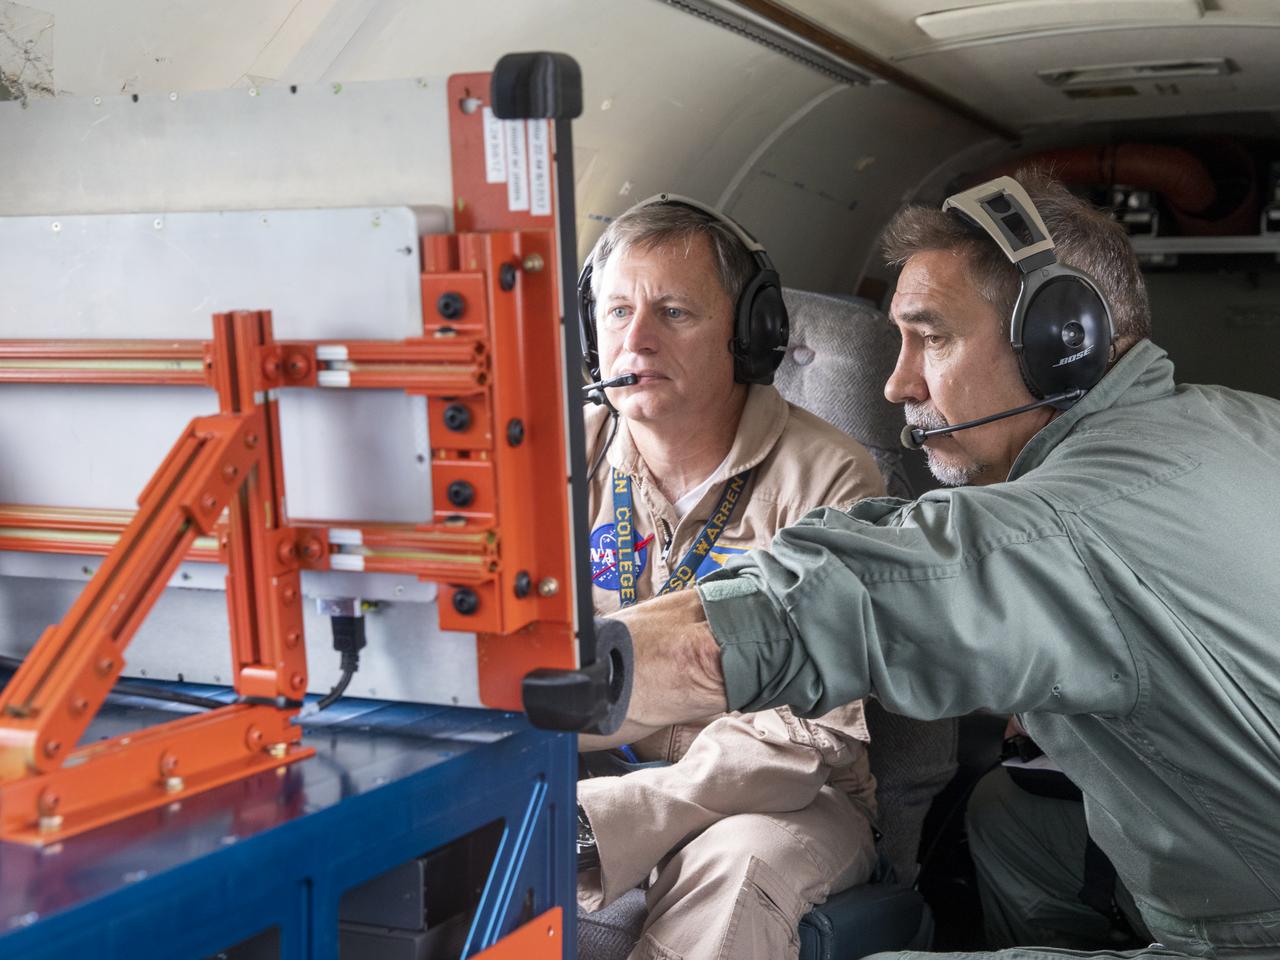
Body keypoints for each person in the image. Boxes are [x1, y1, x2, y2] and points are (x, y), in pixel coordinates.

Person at [599, 170, 1280, 958]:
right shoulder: (1248, 421)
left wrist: (569, 672)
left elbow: (823, 604)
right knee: (1010, 820)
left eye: (934, 337)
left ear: (1063, 340)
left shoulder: (1054, 524)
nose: (897, 383)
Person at [575, 195, 886, 960]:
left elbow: (811, 732)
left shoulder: (832, 477)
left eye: (673, 312)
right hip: (592, 784)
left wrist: (627, 806)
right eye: (615, 313)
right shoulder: (558, 459)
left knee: (736, 865)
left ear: (750, 336)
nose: (635, 340)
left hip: (785, 802)